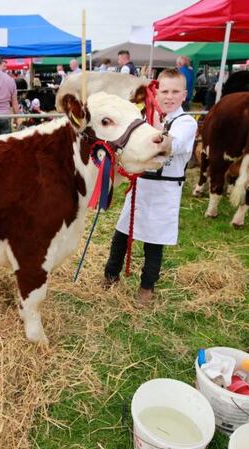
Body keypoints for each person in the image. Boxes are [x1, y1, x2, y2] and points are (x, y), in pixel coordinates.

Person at [103, 68, 198, 303]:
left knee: (153, 242)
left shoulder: (185, 122)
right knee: (121, 234)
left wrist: (152, 130)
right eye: (164, 91)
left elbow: (168, 145)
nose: (169, 96)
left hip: (164, 190)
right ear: (156, 93)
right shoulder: (147, 118)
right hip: (141, 185)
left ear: (184, 95)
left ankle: (147, 287)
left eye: (175, 91)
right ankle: (110, 276)